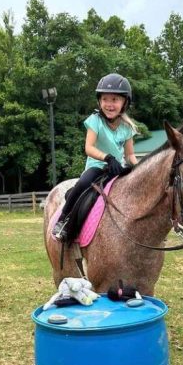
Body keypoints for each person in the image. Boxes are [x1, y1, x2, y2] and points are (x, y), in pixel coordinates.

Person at [53, 73, 138, 240]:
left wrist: (139, 167)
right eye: (105, 99)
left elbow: (130, 155)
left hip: (116, 170)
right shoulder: (95, 121)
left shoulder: (128, 128)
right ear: (99, 101)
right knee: (83, 183)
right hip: (97, 167)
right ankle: (64, 219)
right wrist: (107, 157)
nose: (109, 104)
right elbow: (89, 148)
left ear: (125, 103)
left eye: (115, 99)